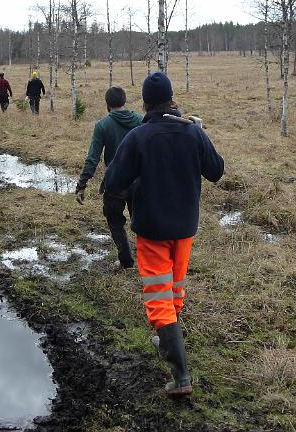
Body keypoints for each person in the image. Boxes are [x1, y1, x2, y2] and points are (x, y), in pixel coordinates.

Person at [104, 72, 224, 397]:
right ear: (172, 98)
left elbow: (113, 183)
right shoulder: (193, 132)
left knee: (159, 299)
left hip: (153, 230)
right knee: (174, 291)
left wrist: (139, 182)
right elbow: (216, 171)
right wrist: (201, 133)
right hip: (185, 229)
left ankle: (181, 377)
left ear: (144, 102)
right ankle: (165, 337)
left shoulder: (139, 137)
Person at [75, 86, 143, 268]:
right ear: (124, 101)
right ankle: (146, 260)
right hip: (140, 181)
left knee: (114, 220)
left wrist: (82, 184)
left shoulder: (103, 125)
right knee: (141, 222)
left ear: (107, 104)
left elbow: (93, 157)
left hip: (115, 183)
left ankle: (126, 260)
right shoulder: (141, 120)